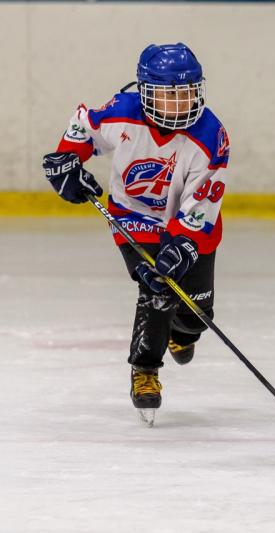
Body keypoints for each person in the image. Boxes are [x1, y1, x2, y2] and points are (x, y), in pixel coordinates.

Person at [42, 43, 230, 423]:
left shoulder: (211, 137)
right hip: (134, 214)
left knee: (197, 315)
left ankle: (183, 332)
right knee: (156, 285)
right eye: (168, 95)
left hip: (192, 227)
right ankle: (145, 370)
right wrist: (67, 158)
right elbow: (86, 125)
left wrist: (183, 245)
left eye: (186, 94)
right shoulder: (124, 112)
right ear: (145, 92)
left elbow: (201, 206)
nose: (179, 105)